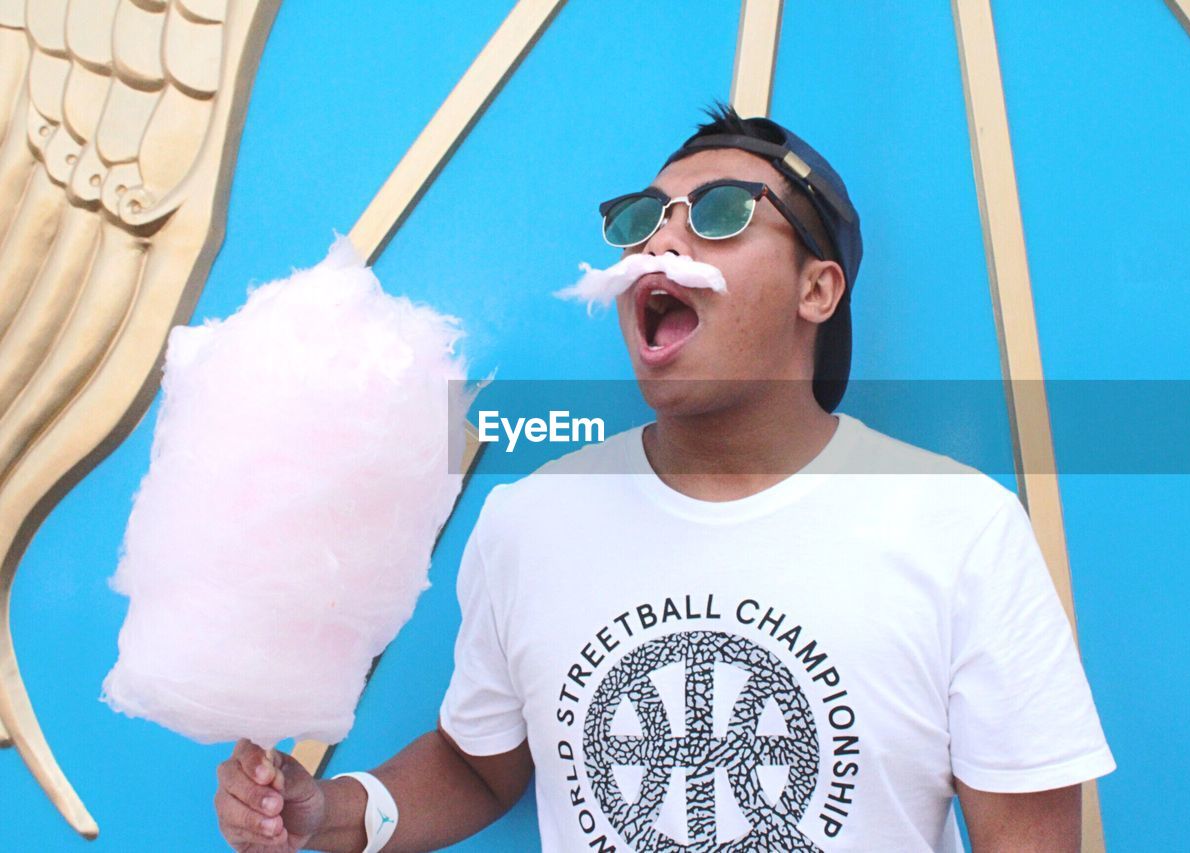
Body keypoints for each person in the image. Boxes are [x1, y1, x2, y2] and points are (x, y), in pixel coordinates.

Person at [214, 104, 1113, 852]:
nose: (662, 239)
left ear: (819, 291)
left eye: (720, 213)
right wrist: (328, 809)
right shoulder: (528, 522)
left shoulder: (961, 529)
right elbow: (482, 763)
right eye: (641, 218)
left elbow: (1025, 835)